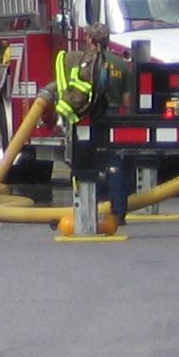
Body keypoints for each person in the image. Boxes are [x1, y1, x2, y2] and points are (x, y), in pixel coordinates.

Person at [52, 23, 134, 224]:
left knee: (87, 164)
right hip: (114, 117)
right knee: (114, 165)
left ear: (91, 39)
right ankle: (119, 212)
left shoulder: (84, 63)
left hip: (89, 117)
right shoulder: (122, 64)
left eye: (87, 36)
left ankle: (88, 210)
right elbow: (127, 102)